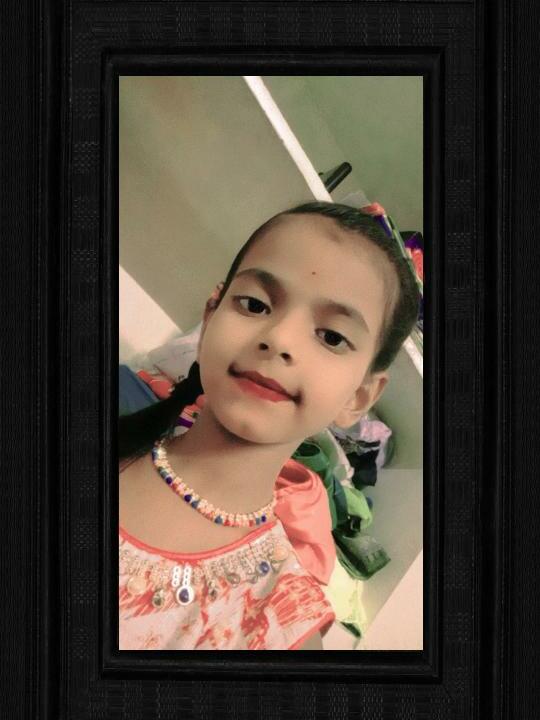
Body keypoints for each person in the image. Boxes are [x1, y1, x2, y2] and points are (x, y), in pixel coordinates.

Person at [118, 201, 421, 650]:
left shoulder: (281, 628)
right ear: (211, 316)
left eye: (332, 337)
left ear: (359, 396)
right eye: (255, 304)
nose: (278, 339)